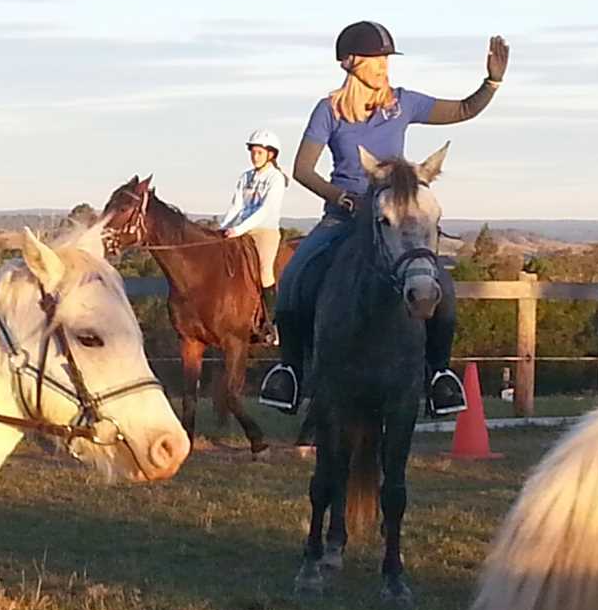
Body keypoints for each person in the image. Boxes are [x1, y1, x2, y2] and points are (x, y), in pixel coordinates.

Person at [258, 22, 510, 416]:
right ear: (351, 63)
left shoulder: (404, 103)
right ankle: (290, 370)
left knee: (439, 283)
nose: (384, 67)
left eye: (386, 60)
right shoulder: (328, 111)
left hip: (393, 216)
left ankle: (438, 374)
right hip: (343, 217)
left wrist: (491, 83)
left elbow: (462, 109)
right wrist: (341, 198)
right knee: (295, 277)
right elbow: (303, 170)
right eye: (377, 60)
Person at [219, 129, 288, 343]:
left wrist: (238, 230)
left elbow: (265, 211)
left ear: (270, 154)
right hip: (241, 229)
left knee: (265, 272)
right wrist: (223, 228)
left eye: (259, 152)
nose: (254, 156)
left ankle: (273, 325)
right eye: (253, 152)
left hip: (264, 231)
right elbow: (237, 206)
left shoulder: (275, 178)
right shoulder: (245, 177)